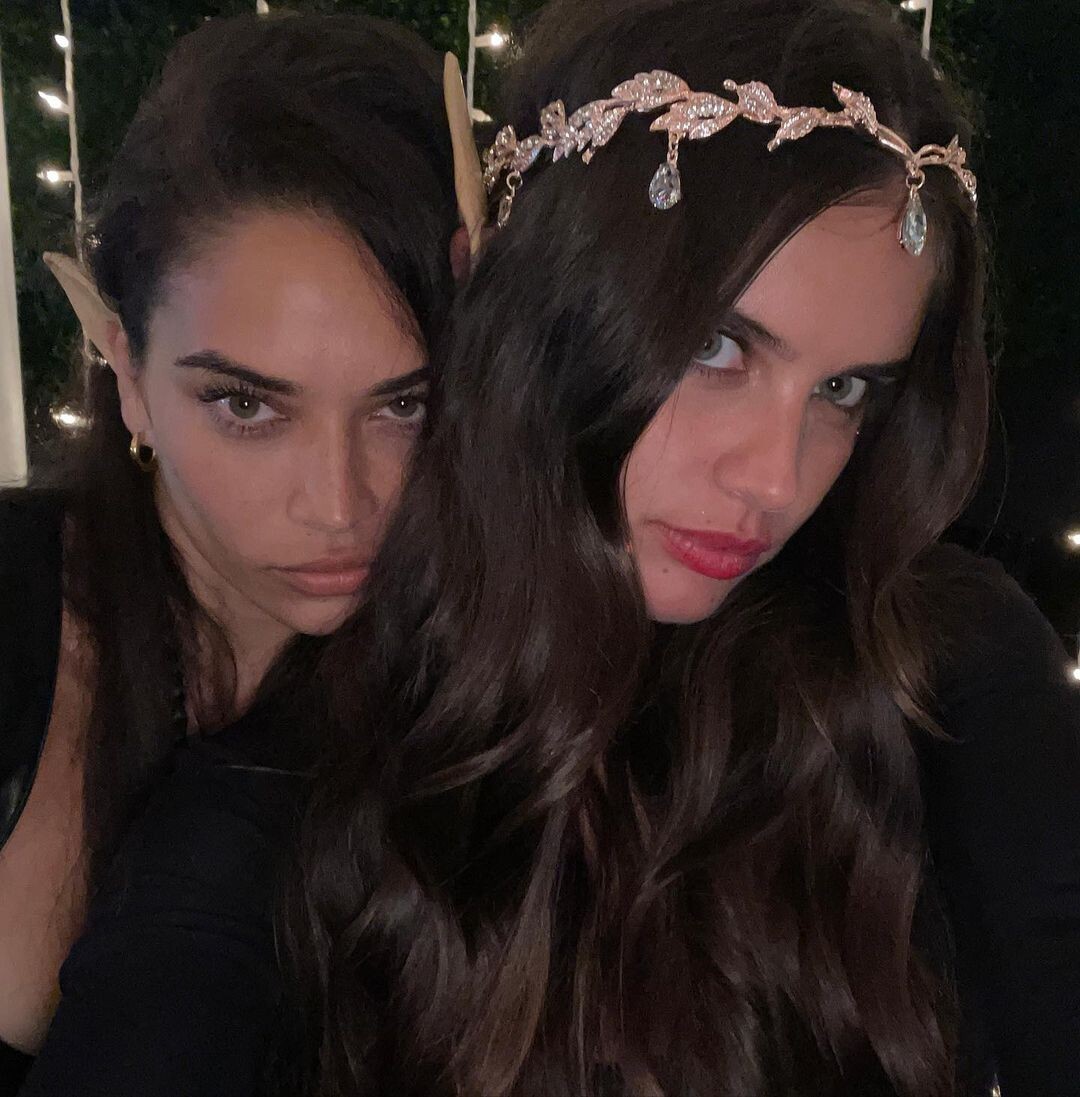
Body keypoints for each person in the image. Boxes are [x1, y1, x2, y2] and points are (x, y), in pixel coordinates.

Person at [277, 1, 1080, 1095]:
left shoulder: (941, 668)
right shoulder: (342, 709)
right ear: (537, 306)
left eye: (845, 389)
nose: (777, 479)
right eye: (715, 346)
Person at [0, 10, 477, 1092]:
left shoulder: (477, 675)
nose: (339, 504)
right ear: (128, 371)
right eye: (247, 404)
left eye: (405, 404)